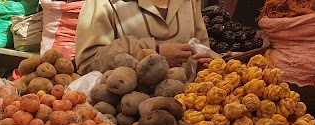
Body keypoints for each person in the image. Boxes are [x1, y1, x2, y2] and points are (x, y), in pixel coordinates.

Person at [75, 0, 217, 75]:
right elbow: (88, 63)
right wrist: (153, 53)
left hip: (189, 107)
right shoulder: (102, 3)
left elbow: (202, 47)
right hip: (127, 114)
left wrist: (205, 63)